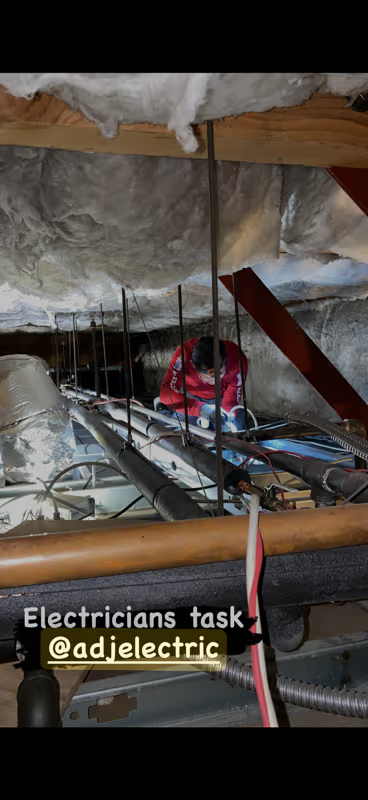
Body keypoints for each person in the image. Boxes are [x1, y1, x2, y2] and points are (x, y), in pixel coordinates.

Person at [159, 336, 248, 431]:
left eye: (220, 375)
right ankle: (163, 411)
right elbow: (166, 393)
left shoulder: (237, 358)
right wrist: (201, 409)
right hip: (192, 398)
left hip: (220, 397)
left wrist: (226, 418)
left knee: (237, 425)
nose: (215, 382)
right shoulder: (183, 355)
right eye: (209, 379)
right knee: (179, 428)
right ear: (193, 365)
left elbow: (232, 394)